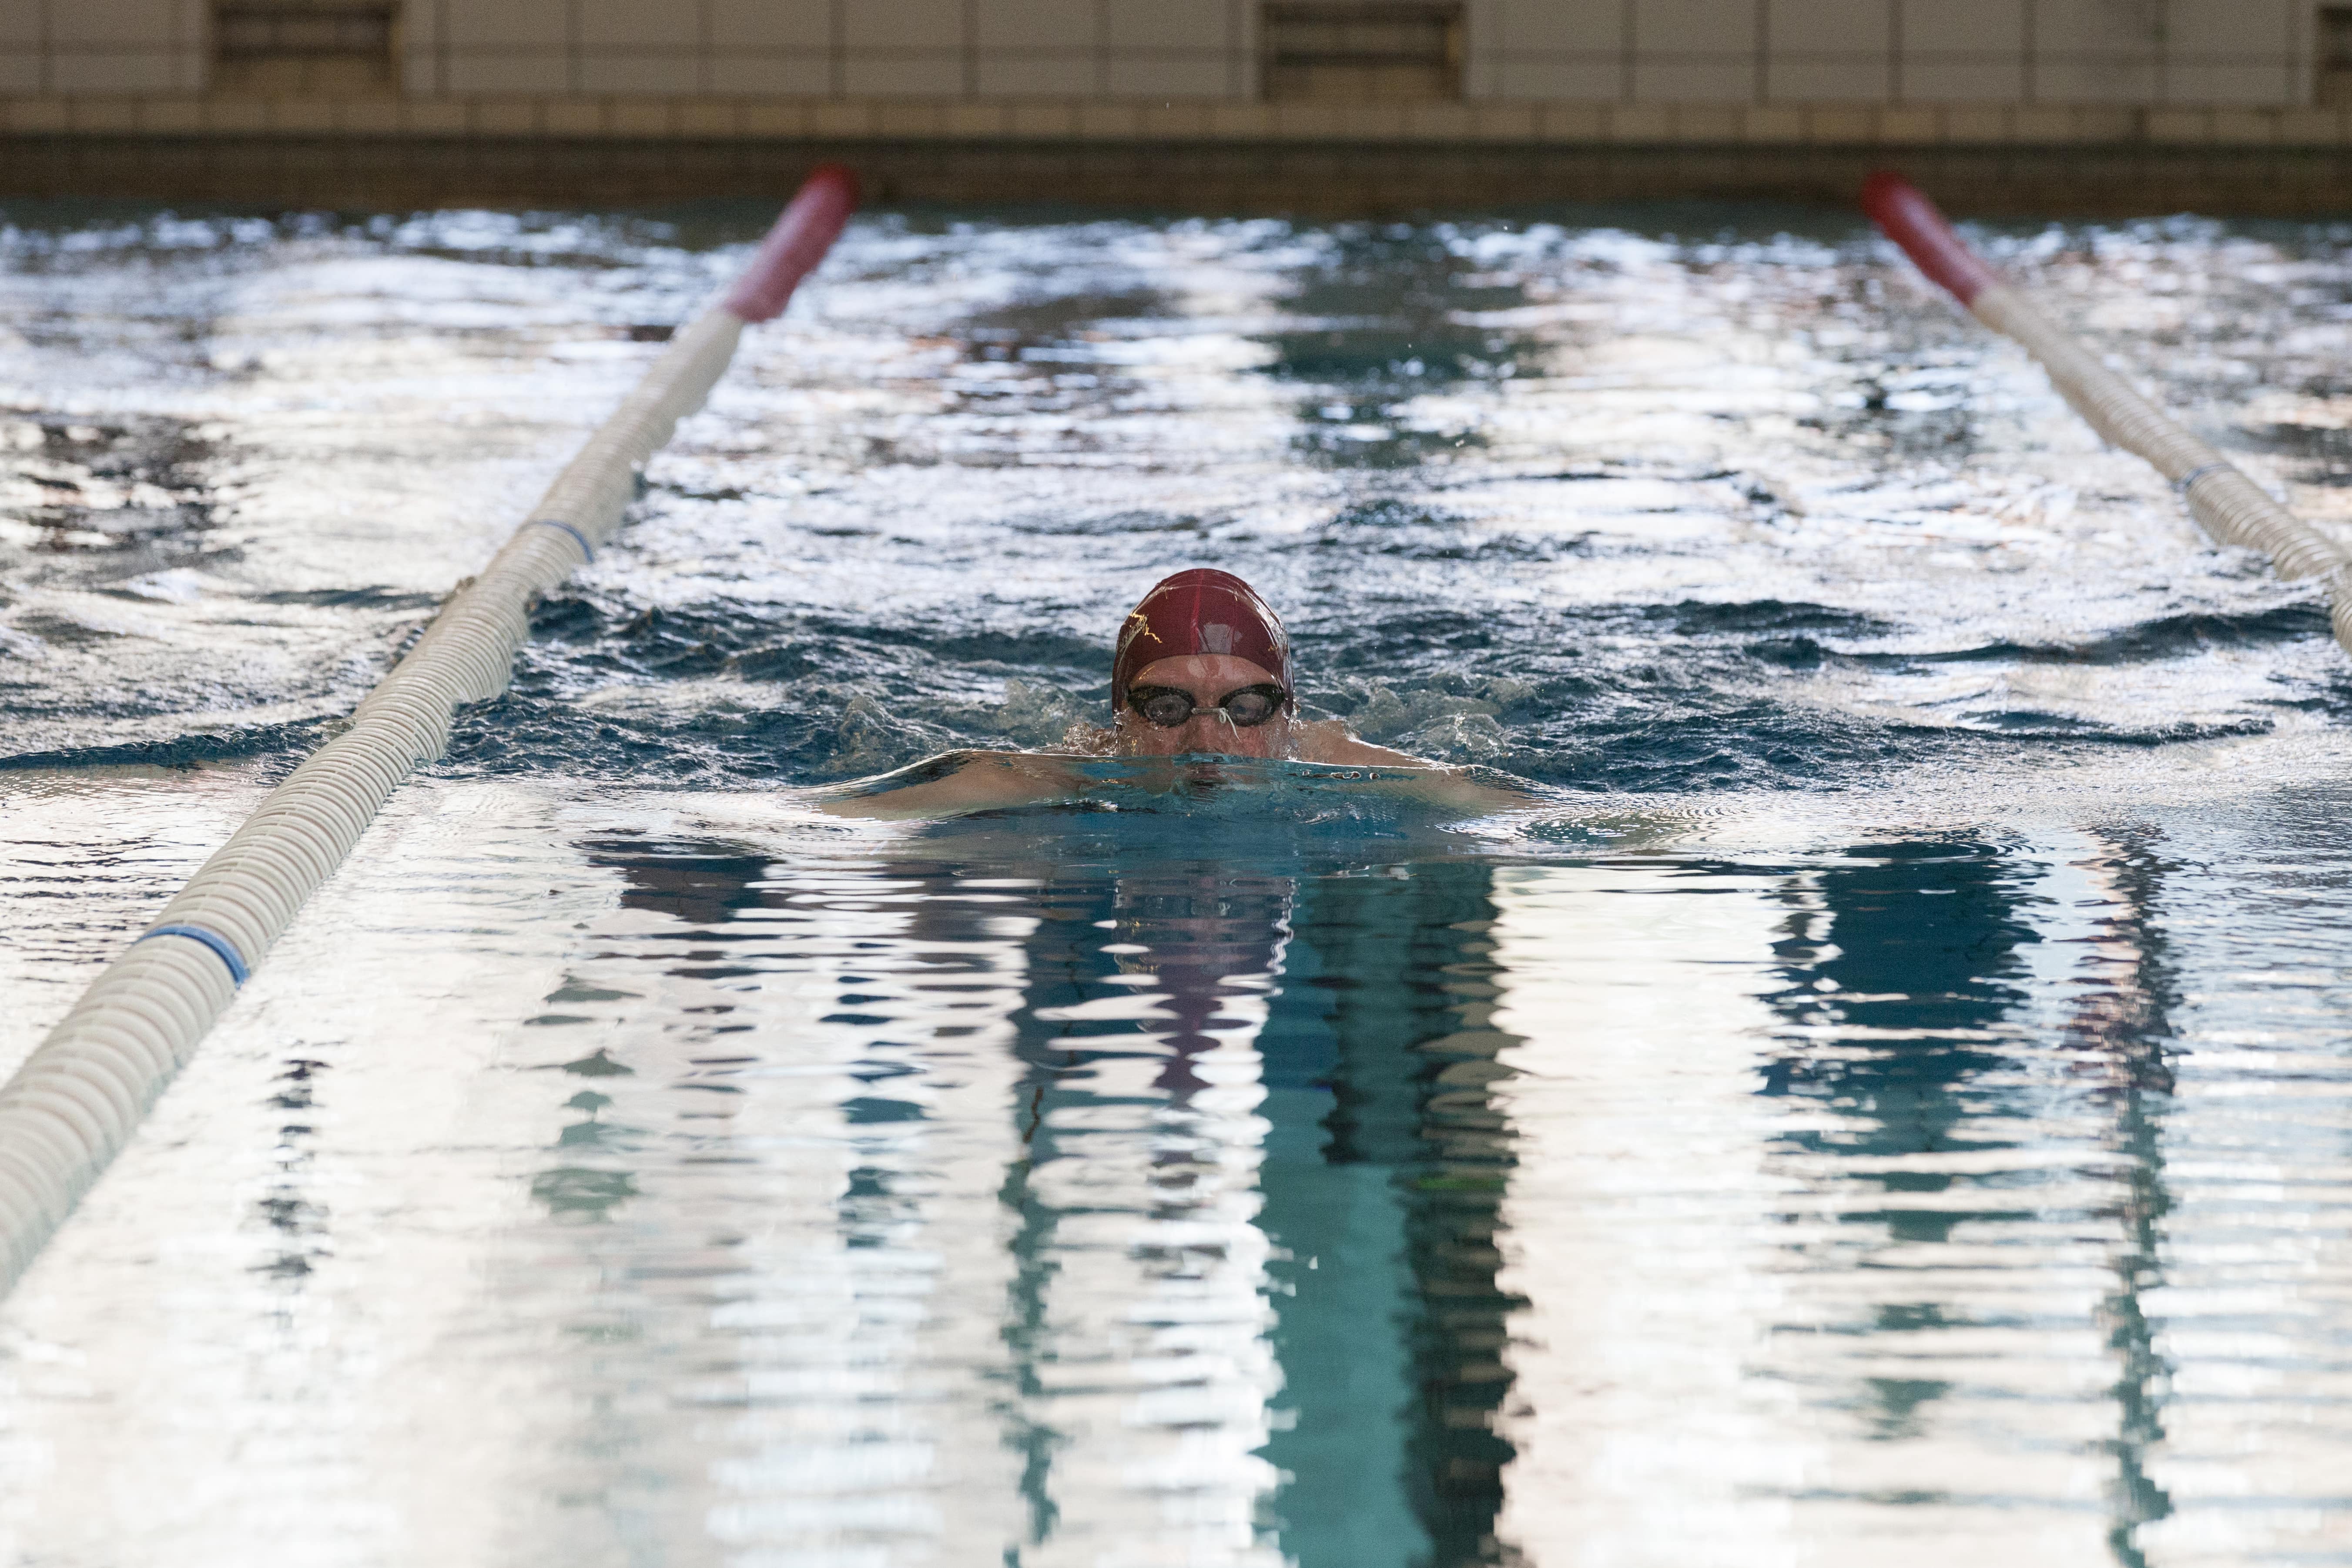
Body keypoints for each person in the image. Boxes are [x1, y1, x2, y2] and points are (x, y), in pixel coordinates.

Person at [820, 568, 1524, 818]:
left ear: (1290, 714)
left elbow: (1548, 818)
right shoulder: (1056, 775)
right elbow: (817, 824)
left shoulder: (1337, 758)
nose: (1206, 743)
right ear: (1120, 715)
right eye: (1166, 709)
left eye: (1247, 708)